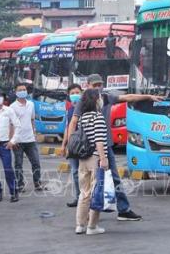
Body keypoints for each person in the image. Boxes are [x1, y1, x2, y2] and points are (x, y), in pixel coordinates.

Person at [68, 73, 163, 221]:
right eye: (95, 85)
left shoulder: (106, 97)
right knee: (90, 184)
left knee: (115, 179)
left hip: (106, 147)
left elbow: (128, 97)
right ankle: (86, 216)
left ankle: (123, 209)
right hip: (89, 150)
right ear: (88, 86)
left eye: (100, 84)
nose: (98, 88)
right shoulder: (83, 101)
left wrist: (148, 97)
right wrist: (71, 145)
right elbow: (73, 122)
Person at [75, 88, 109, 235]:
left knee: (84, 193)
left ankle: (80, 225)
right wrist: (103, 158)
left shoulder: (82, 118)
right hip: (96, 158)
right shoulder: (98, 117)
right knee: (97, 192)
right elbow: (99, 141)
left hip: (83, 159)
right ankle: (92, 227)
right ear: (96, 100)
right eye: (99, 97)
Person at [10, 83, 44, 192]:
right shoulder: (12, 107)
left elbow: (32, 120)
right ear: (16, 92)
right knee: (18, 164)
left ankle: (37, 183)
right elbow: (10, 125)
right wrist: (12, 140)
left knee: (36, 163)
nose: (22, 91)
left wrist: (35, 133)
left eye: (24, 89)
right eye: (20, 90)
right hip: (18, 140)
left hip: (30, 140)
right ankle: (20, 184)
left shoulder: (31, 104)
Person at [61, 83, 83, 207]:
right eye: (72, 93)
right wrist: (64, 145)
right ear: (69, 96)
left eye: (77, 92)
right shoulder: (69, 110)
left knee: (86, 173)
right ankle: (78, 197)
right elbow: (67, 128)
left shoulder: (86, 108)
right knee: (75, 172)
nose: (75, 95)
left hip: (85, 147)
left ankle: (87, 198)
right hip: (73, 146)